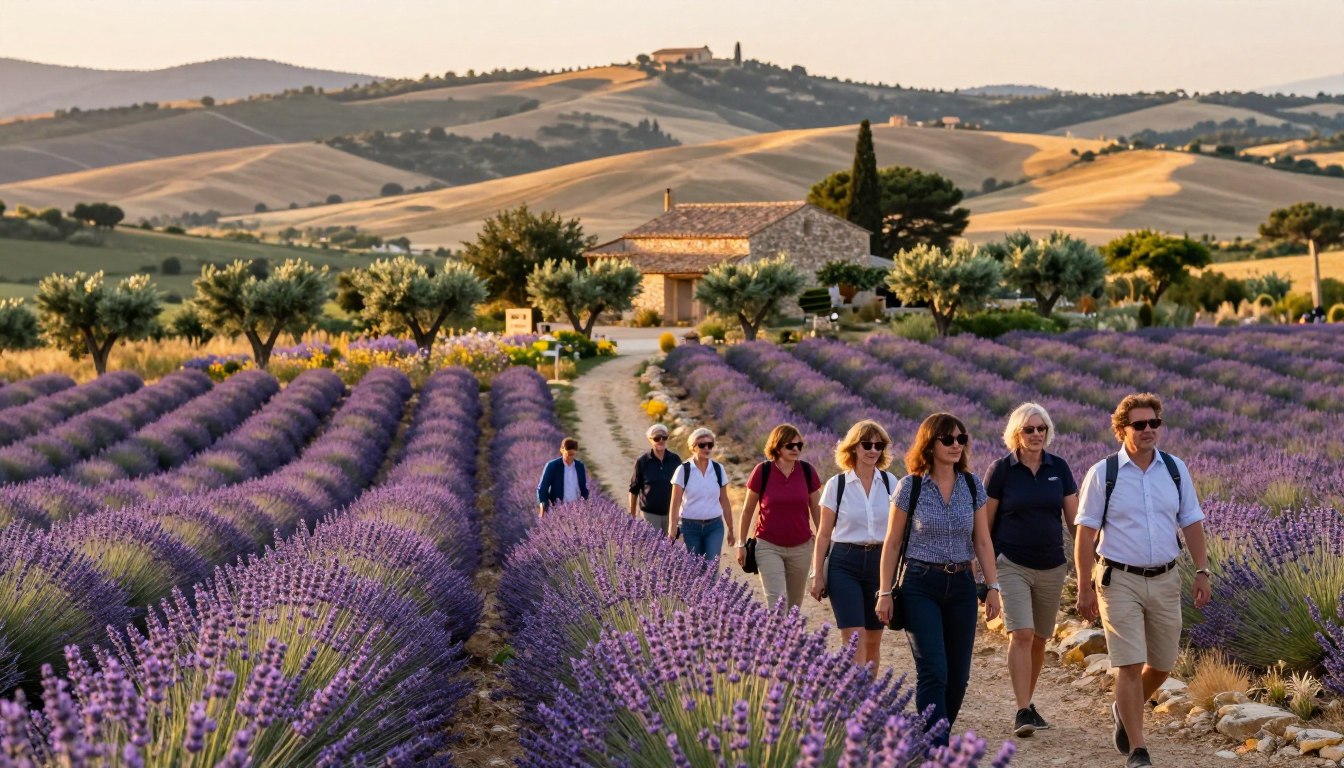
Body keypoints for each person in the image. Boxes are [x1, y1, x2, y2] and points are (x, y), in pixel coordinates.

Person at [1075, 393, 1212, 768]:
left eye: (1155, 423)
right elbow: (1085, 535)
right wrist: (1084, 585)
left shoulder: (1174, 469)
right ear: (1121, 430)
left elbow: (1192, 521)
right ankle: (1138, 749)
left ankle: (1124, 708)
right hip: (1119, 580)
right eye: (1140, 424)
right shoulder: (1103, 473)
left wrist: (1202, 570)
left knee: (1164, 663)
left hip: (1167, 578)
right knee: (1130, 664)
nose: (1149, 430)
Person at [876, 413, 1001, 748]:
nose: (957, 445)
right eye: (948, 440)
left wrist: (993, 587)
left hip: (961, 585)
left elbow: (983, 541)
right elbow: (891, 542)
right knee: (934, 671)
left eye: (961, 439)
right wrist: (885, 592)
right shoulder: (910, 486)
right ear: (929, 445)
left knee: (958, 679)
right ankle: (936, 750)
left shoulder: (973, 485)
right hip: (920, 584)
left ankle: (929, 736)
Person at [982, 403, 1078, 738]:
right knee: (1021, 634)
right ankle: (1022, 709)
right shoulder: (1001, 470)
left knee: (1040, 638)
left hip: (1052, 564)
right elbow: (985, 523)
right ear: (1016, 434)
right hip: (1012, 563)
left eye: (1042, 429)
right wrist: (987, 570)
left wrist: (1087, 564)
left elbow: (1075, 521)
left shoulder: (1060, 468)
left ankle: (1029, 702)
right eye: (1029, 429)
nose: (1036, 434)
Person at [810, 420, 899, 669]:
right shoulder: (836, 485)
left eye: (878, 445)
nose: (873, 450)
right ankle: (854, 700)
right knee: (853, 637)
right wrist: (817, 574)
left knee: (873, 640)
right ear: (853, 448)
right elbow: (824, 535)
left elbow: (899, 531)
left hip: (880, 565)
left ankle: (868, 701)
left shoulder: (892, 482)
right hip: (844, 563)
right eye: (866, 444)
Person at [736, 424, 821, 610]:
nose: (796, 449)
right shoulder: (762, 471)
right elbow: (747, 510)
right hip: (768, 547)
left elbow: (817, 509)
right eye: (790, 446)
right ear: (777, 446)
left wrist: (824, 542)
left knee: (793, 608)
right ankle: (775, 640)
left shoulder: (807, 471)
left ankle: (789, 639)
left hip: (801, 548)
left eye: (799, 445)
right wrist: (741, 544)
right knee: (777, 605)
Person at [668, 427, 734, 557]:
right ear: (693, 447)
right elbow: (675, 503)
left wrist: (731, 529)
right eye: (702, 445)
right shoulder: (683, 470)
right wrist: (672, 527)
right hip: (689, 527)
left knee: (711, 568)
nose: (707, 448)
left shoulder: (718, 469)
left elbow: (724, 501)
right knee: (693, 569)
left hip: (714, 527)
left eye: (710, 445)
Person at [629, 423, 681, 534]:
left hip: (671, 513)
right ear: (650, 440)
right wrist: (632, 515)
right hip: (649, 514)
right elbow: (634, 490)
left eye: (664, 437)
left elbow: (683, 487)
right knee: (653, 548)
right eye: (657, 438)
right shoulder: (642, 462)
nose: (661, 441)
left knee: (670, 548)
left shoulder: (675, 460)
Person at [536, 437, 589, 517]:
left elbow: (583, 487)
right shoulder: (552, 466)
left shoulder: (579, 466)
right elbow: (542, 488)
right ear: (562, 450)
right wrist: (543, 507)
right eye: (568, 448)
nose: (570, 451)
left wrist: (585, 503)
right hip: (557, 510)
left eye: (573, 449)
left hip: (577, 510)